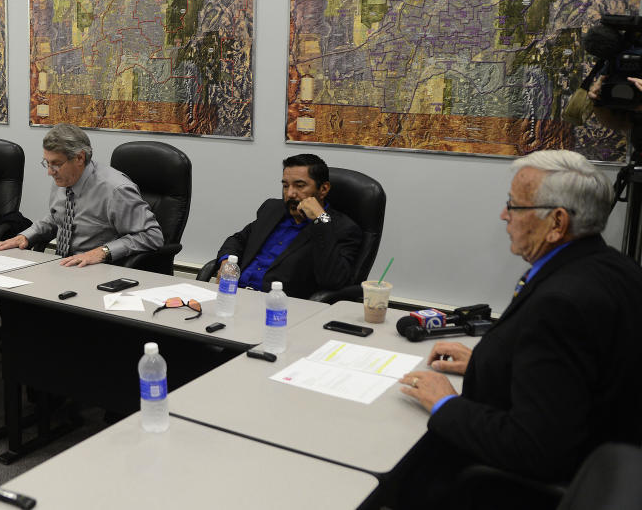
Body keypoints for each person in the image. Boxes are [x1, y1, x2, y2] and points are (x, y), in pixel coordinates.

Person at [394, 150, 642, 509]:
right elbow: (575, 375)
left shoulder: (561, 303)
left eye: (514, 205)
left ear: (556, 222)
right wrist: (493, 363)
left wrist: (445, 402)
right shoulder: (614, 267)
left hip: (512, 487)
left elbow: (536, 448)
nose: (503, 215)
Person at [0, 123, 163, 266]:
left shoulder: (116, 190)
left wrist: (103, 251)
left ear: (79, 158)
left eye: (55, 164)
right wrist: (26, 236)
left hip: (97, 270)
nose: (50, 172)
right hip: (63, 266)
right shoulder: (65, 179)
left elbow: (152, 235)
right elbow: (57, 217)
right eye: (46, 163)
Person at [213, 154, 361, 299]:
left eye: (300, 186)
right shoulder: (272, 209)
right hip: (233, 295)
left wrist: (320, 220)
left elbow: (333, 280)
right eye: (285, 185)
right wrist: (226, 263)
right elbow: (238, 240)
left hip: (278, 306)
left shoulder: (343, 228)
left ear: (323, 189)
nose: (290, 193)